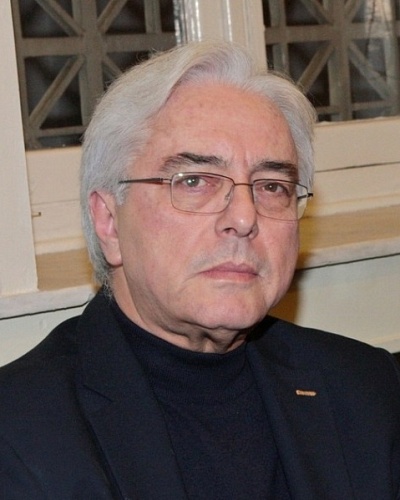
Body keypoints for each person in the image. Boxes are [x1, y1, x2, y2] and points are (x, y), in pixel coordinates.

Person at [0, 41, 399, 500]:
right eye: (194, 181)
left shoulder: (366, 386)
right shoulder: (19, 435)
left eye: (272, 186)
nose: (244, 217)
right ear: (109, 222)